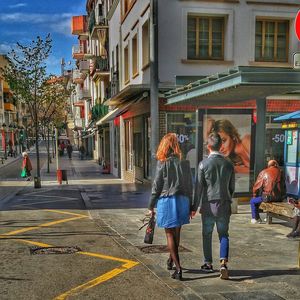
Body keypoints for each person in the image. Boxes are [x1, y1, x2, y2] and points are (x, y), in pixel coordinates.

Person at [148, 133, 193, 281]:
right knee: (177, 232)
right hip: (183, 200)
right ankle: (170, 260)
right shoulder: (184, 163)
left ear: (164, 146)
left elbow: (156, 186)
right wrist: (191, 204)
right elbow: (190, 185)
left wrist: (151, 205)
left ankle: (179, 269)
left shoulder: (162, 163)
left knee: (169, 234)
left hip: (167, 200)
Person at [192, 132, 235, 280]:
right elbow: (232, 188)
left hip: (208, 204)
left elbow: (199, 188)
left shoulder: (203, 164)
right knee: (224, 234)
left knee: (207, 234)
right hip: (224, 204)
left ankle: (208, 263)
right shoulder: (229, 164)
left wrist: (194, 206)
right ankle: (223, 263)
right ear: (220, 145)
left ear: (208, 146)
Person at [250, 159, 284, 224]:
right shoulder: (281, 172)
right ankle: (261, 218)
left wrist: (254, 195)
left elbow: (256, 186)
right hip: (279, 197)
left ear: (268, 165)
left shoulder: (264, 172)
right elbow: (284, 186)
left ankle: (255, 218)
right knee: (259, 200)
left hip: (268, 197)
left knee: (253, 201)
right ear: (276, 165)